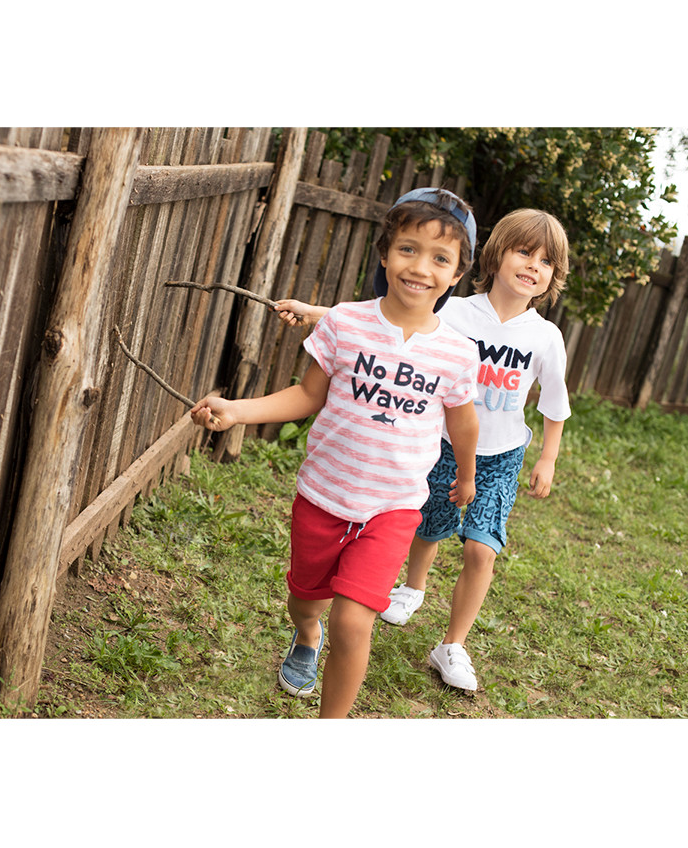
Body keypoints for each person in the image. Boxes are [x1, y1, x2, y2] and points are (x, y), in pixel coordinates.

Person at [190, 188, 480, 717]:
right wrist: (237, 410)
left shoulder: (458, 353)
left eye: (441, 258)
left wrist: (466, 475)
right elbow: (305, 396)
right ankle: (305, 634)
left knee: (354, 621)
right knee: (305, 599)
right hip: (323, 497)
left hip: (392, 507)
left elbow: (462, 421)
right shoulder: (344, 322)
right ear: (386, 253)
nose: (421, 268)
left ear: (457, 275)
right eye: (408, 249)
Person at [275, 207, 571, 692]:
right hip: (436, 445)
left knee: (481, 549)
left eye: (546, 262)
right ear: (493, 257)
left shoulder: (546, 337)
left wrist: (548, 457)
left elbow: (555, 403)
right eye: (524, 252)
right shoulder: (456, 311)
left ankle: (452, 643)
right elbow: (386, 320)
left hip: (499, 457)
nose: (533, 265)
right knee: (430, 525)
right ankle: (412, 588)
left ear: (552, 277)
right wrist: (314, 312)